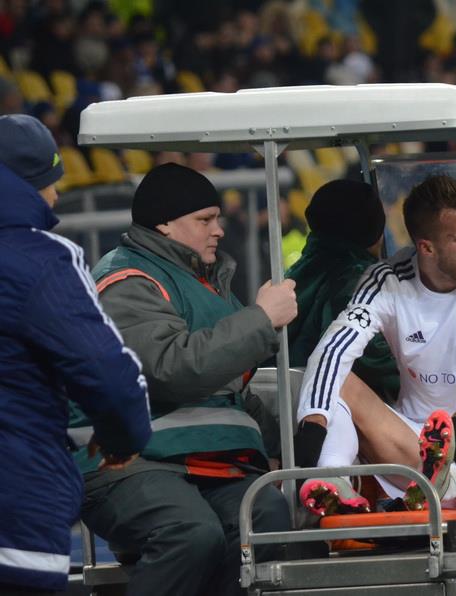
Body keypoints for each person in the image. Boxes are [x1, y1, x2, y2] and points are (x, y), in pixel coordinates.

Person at [71, 163, 300, 596]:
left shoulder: (203, 283)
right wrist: (262, 319)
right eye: (204, 219)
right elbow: (171, 369)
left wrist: (277, 449)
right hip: (130, 462)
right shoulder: (126, 281)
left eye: (217, 218)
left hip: (200, 457)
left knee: (266, 518)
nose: (218, 230)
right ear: (164, 224)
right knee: (189, 532)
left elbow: (230, 390)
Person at [294, 174, 456, 514]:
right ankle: (334, 478)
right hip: (419, 454)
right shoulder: (387, 281)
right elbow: (334, 347)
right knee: (337, 376)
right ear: (427, 248)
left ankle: (450, 478)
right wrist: (313, 423)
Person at [0, 114, 151, 594]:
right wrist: (122, 438)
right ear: (33, 182)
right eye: (52, 182)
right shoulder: (41, 258)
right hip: (14, 509)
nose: (57, 196)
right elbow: (107, 374)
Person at [284, 179, 399, 404]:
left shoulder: (300, 270)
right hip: (338, 408)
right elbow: (372, 360)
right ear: (375, 230)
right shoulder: (359, 281)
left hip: (296, 401)